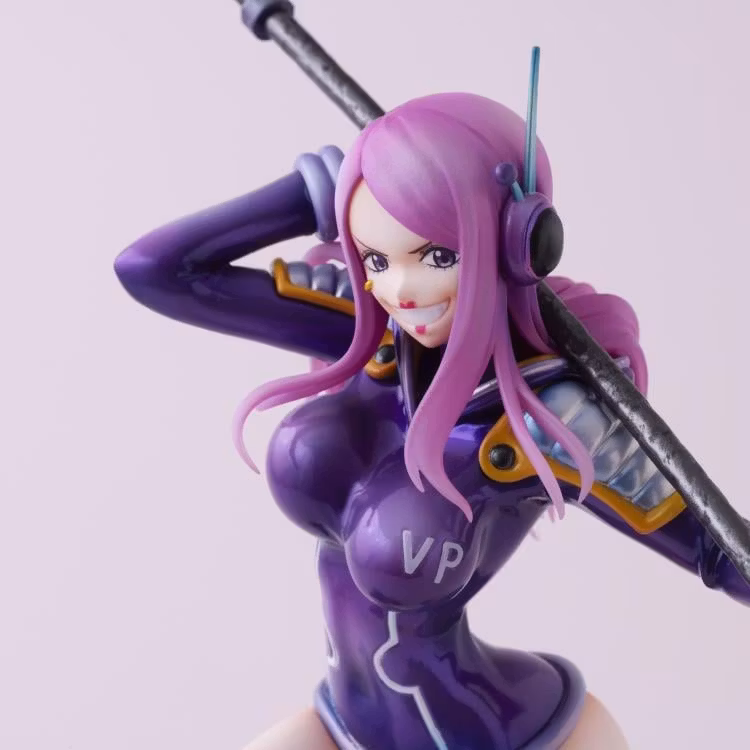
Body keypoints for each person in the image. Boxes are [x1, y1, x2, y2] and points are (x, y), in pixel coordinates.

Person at [114, 91, 749, 749]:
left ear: (520, 244)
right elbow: (154, 271)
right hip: (342, 723)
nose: (402, 288)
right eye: (377, 258)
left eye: (438, 256)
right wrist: (301, 198)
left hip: (505, 737)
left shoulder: (544, 417)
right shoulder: (364, 329)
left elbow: (720, 553)